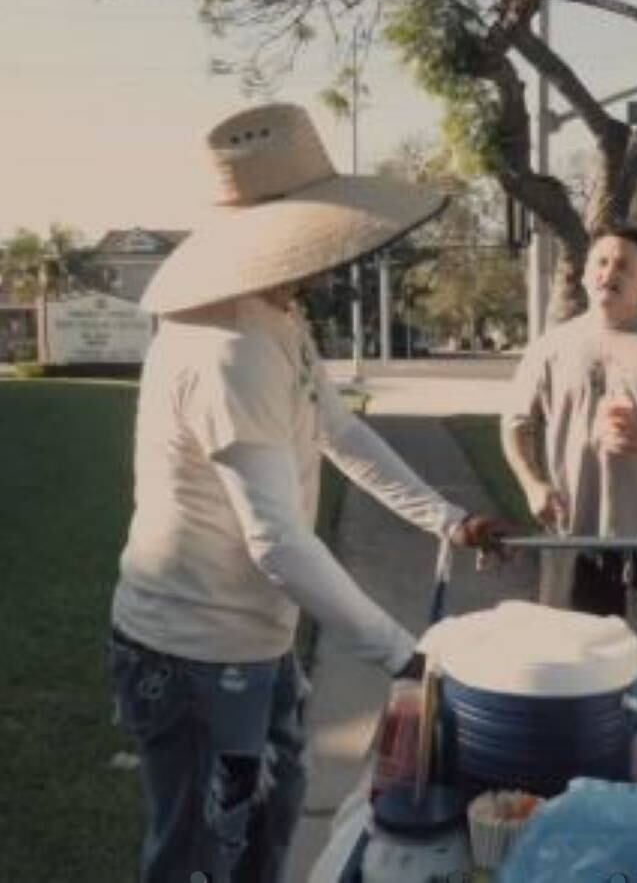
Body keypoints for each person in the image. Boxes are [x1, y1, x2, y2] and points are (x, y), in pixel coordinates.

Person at [113, 103, 508, 883]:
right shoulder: (229, 348)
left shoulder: (277, 317)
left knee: (267, 834)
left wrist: (449, 519)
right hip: (193, 653)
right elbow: (279, 541)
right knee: (200, 859)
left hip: (257, 645)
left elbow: (341, 432)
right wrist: (402, 654)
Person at [503, 224, 637, 675]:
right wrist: (533, 485)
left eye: (624, 265)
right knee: (567, 674)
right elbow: (516, 425)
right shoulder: (550, 347)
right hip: (573, 540)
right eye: (601, 262)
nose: (610, 273)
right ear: (585, 274)